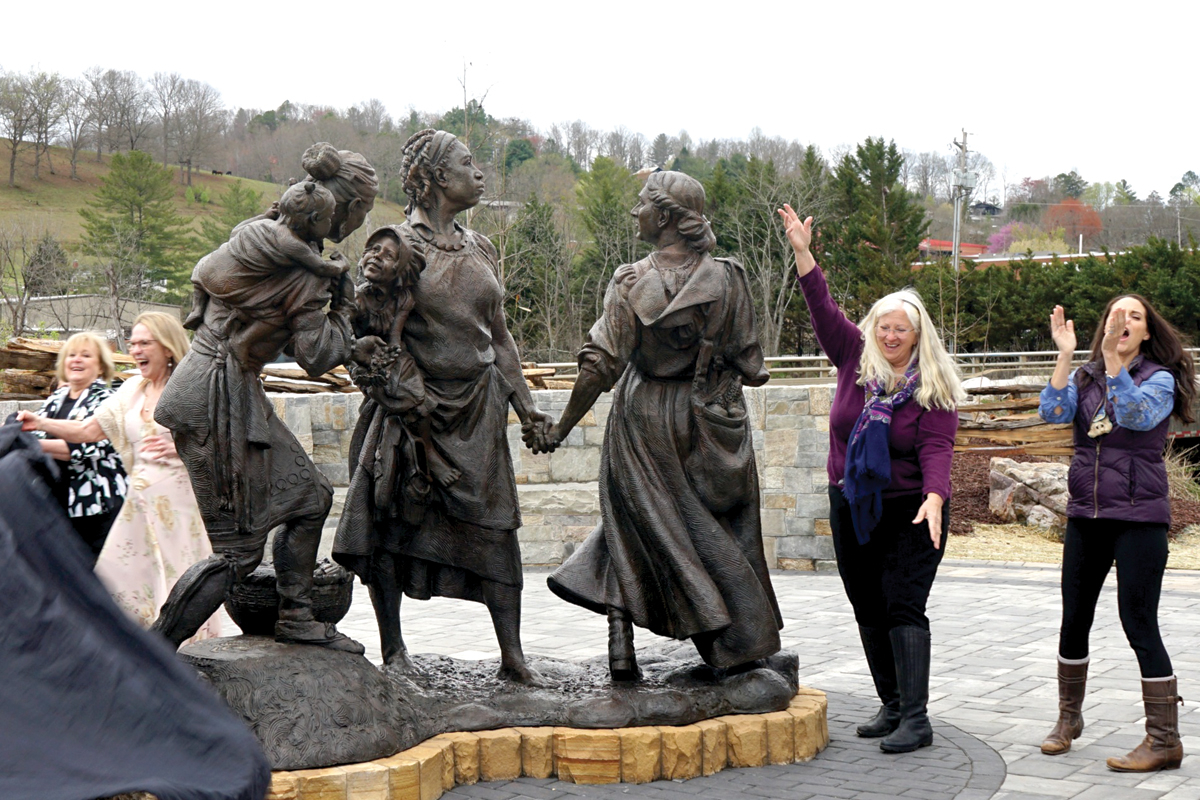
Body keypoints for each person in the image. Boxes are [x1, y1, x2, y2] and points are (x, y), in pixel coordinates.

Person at [331, 129, 553, 685]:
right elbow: (367, 338)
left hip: (478, 413)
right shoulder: (395, 247)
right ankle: (394, 648)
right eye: (468, 164)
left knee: (498, 531)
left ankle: (513, 655)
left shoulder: (481, 248)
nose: (479, 174)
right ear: (433, 178)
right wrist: (400, 395)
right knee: (389, 526)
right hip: (412, 416)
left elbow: (499, 338)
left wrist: (526, 408)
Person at [545, 170, 782, 681]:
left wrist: (560, 428)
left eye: (642, 205)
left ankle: (622, 642)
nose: (635, 213)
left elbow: (601, 365)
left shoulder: (630, 281)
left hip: (643, 417)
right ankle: (739, 640)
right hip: (706, 419)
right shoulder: (728, 278)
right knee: (718, 527)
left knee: (634, 522)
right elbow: (752, 365)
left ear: (667, 217)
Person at [150, 142, 380, 654]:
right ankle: (151, 655)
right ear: (341, 209)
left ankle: (295, 615)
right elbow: (317, 355)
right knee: (238, 554)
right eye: (362, 210)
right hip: (216, 397)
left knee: (309, 498)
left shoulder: (258, 234)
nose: (362, 221)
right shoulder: (304, 271)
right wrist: (347, 315)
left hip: (212, 387)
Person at [777, 204, 964, 754]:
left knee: (903, 602)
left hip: (911, 507)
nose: (890, 334)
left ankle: (918, 718)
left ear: (916, 335)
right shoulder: (852, 360)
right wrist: (803, 253)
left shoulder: (934, 385)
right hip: (854, 503)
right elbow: (821, 307)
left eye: (900, 328)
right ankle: (892, 703)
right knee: (866, 602)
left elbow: (937, 446)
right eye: (883, 325)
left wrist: (935, 497)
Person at [1037, 296, 1194, 772]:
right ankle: (1068, 719)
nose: (1122, 322)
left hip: (1139, 518)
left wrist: (1110, 361)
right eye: (1115, 315)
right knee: (1074, 618)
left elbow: (1135, 416)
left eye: (1134, 317)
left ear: (1146, 332)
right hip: (1087, 513)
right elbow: (1053, 412)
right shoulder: (1083, 377)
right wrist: (1066, 355)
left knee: (1138, 621)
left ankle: (1164, 739)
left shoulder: (1159, 379)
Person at [18, 313, 219, 640]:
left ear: (167, 348)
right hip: (137, 506)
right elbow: (87, 430)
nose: (135, 349)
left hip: (180, 508)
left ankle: (191, 659)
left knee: (181, 582)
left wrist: (187, 448)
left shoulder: (194, 388)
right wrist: (38, 423)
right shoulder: (131, 389)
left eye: (144, 343)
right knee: (120, 581)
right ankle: (140, 657)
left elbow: (225, 440)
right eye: (132, 343)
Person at [29, 331, 127, 563]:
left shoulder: (106, 399)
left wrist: (31, 443)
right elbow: (34, 431)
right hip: (57, 500)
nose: (76, 360)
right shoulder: (56, 398)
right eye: (71, 355)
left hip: (96, 506)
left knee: (91, 572)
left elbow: (88, 447)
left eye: (86, 355)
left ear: (101, 367)